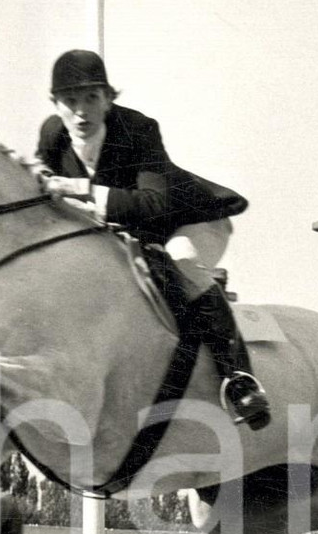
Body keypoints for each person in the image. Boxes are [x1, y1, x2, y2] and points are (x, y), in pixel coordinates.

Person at [33, 49, 271, 430]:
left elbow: (154, 203)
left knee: (183, 263)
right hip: (133, 231)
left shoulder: (139, 129)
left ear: (108, 99)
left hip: (189, 220)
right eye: (70, 100)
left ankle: (241, 381)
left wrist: (79, 187)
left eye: (91, 98)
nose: (81, 111)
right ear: (55, 104)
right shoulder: (52, 134)